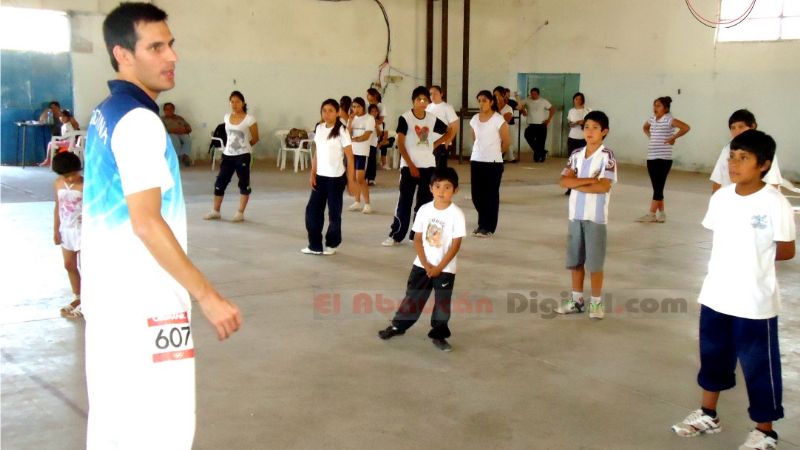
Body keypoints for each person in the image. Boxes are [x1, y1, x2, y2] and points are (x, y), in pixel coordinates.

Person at [83, 4, 242, 448]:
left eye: (171, 44)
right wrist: (207, 296)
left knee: (115, 421)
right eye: (156, 46)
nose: (171, 56)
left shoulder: (107, 111)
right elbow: (147, 223)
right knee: (161, 427)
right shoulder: (139, 123)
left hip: (111, 298)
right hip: (147, 304)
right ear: (123, 55)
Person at [670, 129, 795, 450]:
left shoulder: (774, 202)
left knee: (758, 367)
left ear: (764, 164)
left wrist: (756, 253)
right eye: (731, 157)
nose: (734, 164)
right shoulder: (722, 197)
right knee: (712, 358)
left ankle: (764, 431)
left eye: (744, 158)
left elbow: (786, 249)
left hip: (754, 301)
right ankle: (708, 413)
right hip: (715, 295)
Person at [377, 167, 466, 352]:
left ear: (455, 190)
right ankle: (398, 326)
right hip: (422, 265)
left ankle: (439, 335)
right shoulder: (424, 210)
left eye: (447, 187)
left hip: (445, 268)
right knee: (413, 298)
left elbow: (455, 245)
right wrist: (426, 264)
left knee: (442, 305)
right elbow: (417, 239)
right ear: (430, 188)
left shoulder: (456, 214)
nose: (442, 191)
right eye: (438, 186)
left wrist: (439, 267)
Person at [557, 111, 617, 319]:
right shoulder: (576, 155)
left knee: (595, 262)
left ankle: (596, 303)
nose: (589, 131)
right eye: (587, 127)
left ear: (604, 132)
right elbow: (564, 181)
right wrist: (587, 180)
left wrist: (577, 182)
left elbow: (603, 186)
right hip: (575, 216)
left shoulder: (606, 156)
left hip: (595, 218)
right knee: (575, 260)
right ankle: (576, 300)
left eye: (595, 128)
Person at [382, 86, 453, 247]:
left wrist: (433, 145)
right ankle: (396, 234)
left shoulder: (432, 118)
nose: (422, 102)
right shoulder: (405, 118)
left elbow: (448, 131)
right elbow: (400, 143)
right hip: (409, 167)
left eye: (425, 100)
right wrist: (410, 164)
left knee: (425, 203)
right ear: (413, 101)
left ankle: (417, 235)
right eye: (418, 99)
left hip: (428, 166)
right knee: (404, 202)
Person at [303, 99, 356, 255]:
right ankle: (314, 245)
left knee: (334, 213)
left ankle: (332, 244)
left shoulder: (342, 131)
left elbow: (350, 158)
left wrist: (351, 181)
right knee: (312, 211)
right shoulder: (319, 128)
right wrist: (313, 173)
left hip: (335, 179)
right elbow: (316, 153)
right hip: (320, 177)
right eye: (324, 110)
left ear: (338, 112)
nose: (327, 114)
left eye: (331, 110)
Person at [203, 91, 259, 222]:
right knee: (220, 183)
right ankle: (215, 211)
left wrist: (245, 147)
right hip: (227, 155)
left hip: (243, 156)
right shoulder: (226, 117)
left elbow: (256, 138)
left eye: (237, 101)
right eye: (232, 102)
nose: (234, 104)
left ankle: (240, 212)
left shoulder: (250, 119)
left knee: (244, 184)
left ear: (243, 103)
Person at [636, 96, 690, 223]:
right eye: (654, 105)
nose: (655, 108)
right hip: (651, 157)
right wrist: (651, 137)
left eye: (658, 106)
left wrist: (673, 137)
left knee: (658, 187)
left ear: (666, 108)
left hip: (664, 158)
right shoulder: (652, 118)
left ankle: (651, 214)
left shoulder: (669, 119)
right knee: (657, 187)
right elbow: (645, 127)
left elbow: (686, 127)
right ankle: (662, 213)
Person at [710, 109, 782, 193]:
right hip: (730, 200)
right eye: (733, 128)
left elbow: (773, 184)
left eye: (741, 127)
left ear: (753, 126)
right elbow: (718, 180)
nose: (737, 131)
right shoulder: (727, 149)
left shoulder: (763, 149)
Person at [469, 90, 510, 238]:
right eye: (479, 100)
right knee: (476, 195)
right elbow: (475, 138)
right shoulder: (474, 119)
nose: (481, 103)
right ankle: (482, 223)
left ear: (491, 102)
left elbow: (506, 142)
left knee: (490, 195)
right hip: (477, 159)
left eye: (484, 100)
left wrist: (496, 154)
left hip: (493, 162)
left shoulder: (498, 119)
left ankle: (488, 226)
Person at [51, 152, 83, 319]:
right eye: (66, 176)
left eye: (73, 175)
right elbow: (58, 206)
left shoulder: (85, 185)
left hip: (83, 231)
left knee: (87, 267)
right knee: (69, 264)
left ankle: (88, 300)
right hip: (66, 230)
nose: (70, 179)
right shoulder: (57, 184)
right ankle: (77, 297)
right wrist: (56, 230)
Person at [347, 97, 375, 213]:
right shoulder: (352, 119)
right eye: (353, 106)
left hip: (363, 152)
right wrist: (349, 121)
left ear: (363, 107)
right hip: (352, 152)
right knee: (353, 178)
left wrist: (353, 139)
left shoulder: (370, 118)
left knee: (360, 178)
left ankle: (367, 204)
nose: (355, 109)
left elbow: (366, 136)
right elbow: (347, 134)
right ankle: (357, 202)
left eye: (358, 106)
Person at [426, 85, 459, 169]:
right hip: (428, 143)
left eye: (435, 93)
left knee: (439, 170)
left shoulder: (447, 107)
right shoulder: (428, 107)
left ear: (441, 94)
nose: (433, 96)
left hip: (441, 143)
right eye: (431, 94)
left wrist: (448, 142)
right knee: (429, 169)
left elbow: (454, 126)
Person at [518, 87, 554, 162]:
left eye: (535, 94)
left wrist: (549, 119)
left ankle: (540, 156)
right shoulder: (527, 100)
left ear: (538, 94)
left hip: (541, 125)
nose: (533, 95)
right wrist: (522, 110)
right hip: (531, 124)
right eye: (532, 94)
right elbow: (519, 105)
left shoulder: (543, 101)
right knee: (527, 135)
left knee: (541, 141)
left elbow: (552, 109)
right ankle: (542, 152)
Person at [162, 102, 193, 167]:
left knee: (188, 140)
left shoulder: (179, 118)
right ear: (164, 111)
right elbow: (162, 130)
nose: (169, 111)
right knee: (175, 140)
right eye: (167, 109)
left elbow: (189, 128)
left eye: (171, 109)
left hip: (182, 133)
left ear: (174, 110)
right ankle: (179, 158)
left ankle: (185, 156)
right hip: (170, 133)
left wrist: (185, 130)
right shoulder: (162, 119)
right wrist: (173, 130)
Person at [366, 103, 381, 184]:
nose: (374, 113)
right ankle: (365, 177)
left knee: (372, 161)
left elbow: (379, 134)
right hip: (366, 143)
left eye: (375, 111)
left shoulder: (379, 122)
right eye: (372, 111)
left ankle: (371, 178)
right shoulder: (367, 120)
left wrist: (376, 125)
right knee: (366, 161)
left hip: (373, 144)